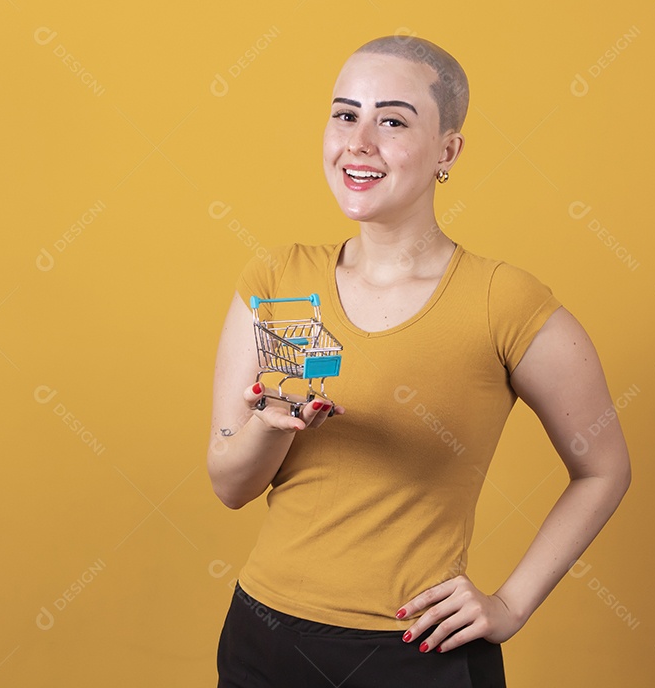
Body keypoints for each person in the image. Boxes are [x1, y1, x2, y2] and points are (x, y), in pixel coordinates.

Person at [207, 35, 631, 688]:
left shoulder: (504, 302)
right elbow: (230, 485)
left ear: (447, 151)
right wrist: (270, 424)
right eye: (345, 114)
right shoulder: (275, 277)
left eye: (393, 121)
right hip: (263, 641)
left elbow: (604, 470)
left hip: (415, 656)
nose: (359, 142)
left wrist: (511, 604)